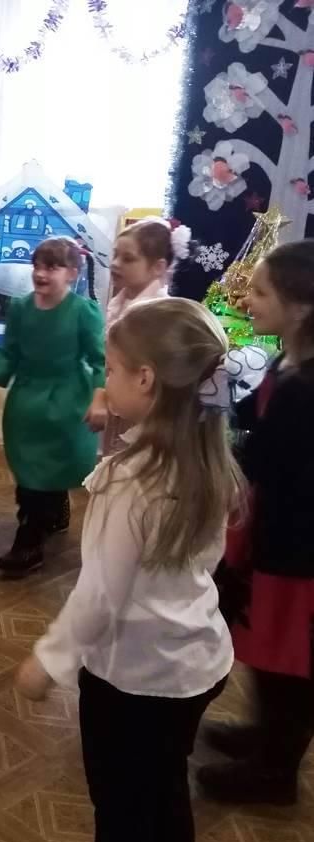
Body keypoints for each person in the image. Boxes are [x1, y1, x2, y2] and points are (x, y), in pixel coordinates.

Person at [15, 298, 241, 842]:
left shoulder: (130, 482)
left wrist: (48, 661)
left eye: (111, 371)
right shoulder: (209, 458)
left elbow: (99, 594)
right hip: (198, 662)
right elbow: (206, 563)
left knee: (120, 807)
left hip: (135, 679)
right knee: (164, 789)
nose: (105, 380)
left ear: (145, 378)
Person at [198, 240, 314, 806]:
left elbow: (270, 457)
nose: (249, 297)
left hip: (299, 551)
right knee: (273, 654)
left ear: (301, 307)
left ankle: (276, 770)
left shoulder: (307, 386)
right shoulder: (286, 362)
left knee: (293, 663)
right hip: (278, 536)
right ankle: (267, 735)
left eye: (262, 291)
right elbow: (256, 420)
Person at [0, 237, 106, 578]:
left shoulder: (82, 312)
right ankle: (45, 515)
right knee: (29, 469)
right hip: (26, 402)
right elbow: (10, 353)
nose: (41, 274)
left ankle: (28, 539)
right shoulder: (21, 308)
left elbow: (99, 359)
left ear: (72, 273)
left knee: (49, 467)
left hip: (66, 401)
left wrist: (99, 397)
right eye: (37, 266)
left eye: (52, 267)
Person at [100, 219, 186, 454]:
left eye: (128, 258)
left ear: (158, 267)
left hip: (143, 409)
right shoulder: (121, 302)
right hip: (120, 400)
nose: (115, 263)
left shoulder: (158, 312)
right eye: (115, 255)